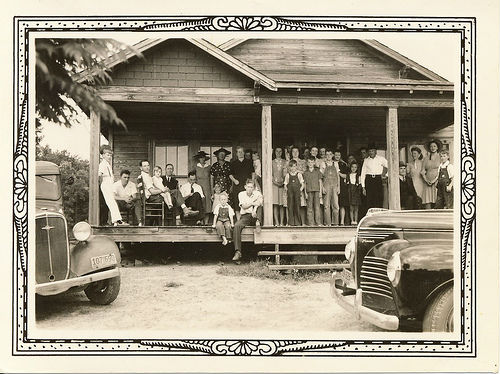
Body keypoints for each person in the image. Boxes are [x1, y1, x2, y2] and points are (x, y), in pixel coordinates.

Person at [139, 160, 196, 225]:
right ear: (141, 168)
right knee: (175, 197)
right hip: (153, 198)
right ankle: (181, 214)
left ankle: (182, 212)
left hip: (156, 196)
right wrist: (163, 190)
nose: (147, 167)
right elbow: (152, 192)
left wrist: (164, 190)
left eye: (148, 165)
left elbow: (154, 187)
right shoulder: (145, 177)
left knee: (175, 194)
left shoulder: (147, 176)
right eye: (145, 166)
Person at [232, 179, 263, 262]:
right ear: (245, 187)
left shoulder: (257, 193)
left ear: (254, 188)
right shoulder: (241, 194)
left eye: (251, 187)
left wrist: (254, 209)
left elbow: (259, 203)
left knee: (260, 208)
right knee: (237, 226)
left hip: (255, 215)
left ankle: (258, 222)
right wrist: (253, 203)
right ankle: (238, 252)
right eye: (248, 187)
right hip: (245, 216)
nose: (250, 189)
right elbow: (244, 206)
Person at [98, 145, 126, 226]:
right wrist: (102, 185)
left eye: (110, 155)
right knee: (111, 202)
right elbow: (99, 175)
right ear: (103, 155)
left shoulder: (107, 164)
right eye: (107, 155)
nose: (109, 157)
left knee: (112, 202)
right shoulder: (102, 164)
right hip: (106, 184)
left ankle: (116, 220)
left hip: (110, 184)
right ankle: (117, 220)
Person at [360, 143, 388, 209]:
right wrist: (363, 187)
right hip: (369, 180)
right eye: (370, 151)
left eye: (372, 151)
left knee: (378, 198)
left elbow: (389, 166)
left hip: (378, 179)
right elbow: (363, 173)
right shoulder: (366, 160)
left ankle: (378, 215)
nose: (371, 152)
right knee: (369, 199)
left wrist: (386, 175)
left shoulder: (381, 159)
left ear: (375, 151)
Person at [230, 146, 254, 218]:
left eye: (241, 152)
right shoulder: (233, 163)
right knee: (237, 203)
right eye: (238, 152)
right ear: (236, 153)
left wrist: (252, 181)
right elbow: (230, 175)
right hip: (237, 186)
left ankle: (247, 220)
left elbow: (253, 173)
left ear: (244, 153)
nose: (240, 153)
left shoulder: (249, 162)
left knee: (247, 201)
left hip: (246, 185)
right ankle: (239, 220)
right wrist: (234, 180)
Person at [421, 139, 442, 209]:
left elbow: (442, 170)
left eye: (434, 146)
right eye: (431, 146)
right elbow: (422, 171)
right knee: (428, 201)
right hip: (427, 181)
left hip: (437, 181)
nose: (433, 148)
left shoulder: (440, 157)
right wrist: (426, 180)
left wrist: (435, 180)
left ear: (437, 147)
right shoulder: (426, 158)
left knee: (437, 200)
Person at [284, 159, 304, 226]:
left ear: (296, 167)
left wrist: (300, 190)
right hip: (290, 193)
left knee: (297, 207)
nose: (293, 168)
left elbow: (302, 184)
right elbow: (285, 184)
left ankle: (298, 222)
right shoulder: (288, 175)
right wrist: (287, 191)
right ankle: (290, 223)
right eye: (292, 166)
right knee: (290, 207)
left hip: (297, 193)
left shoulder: (299, 175)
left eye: (294, 166)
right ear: (289, 167)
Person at [290, 146, 307, 225]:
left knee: (301, 204)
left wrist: (296, 171)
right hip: (291, 186)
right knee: (291, 205)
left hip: (300, 186)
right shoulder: (288, 162)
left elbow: (305, 172)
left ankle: (302, 222)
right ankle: (292, 222)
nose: (295, 153)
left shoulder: (303, 162)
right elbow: (286, 173)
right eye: (293, 151)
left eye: (297, 151)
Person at [322, 149, 340, 226]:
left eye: (330, 154)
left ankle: (335, 223)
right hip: (326, 185)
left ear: (332, 155)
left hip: (334, 185)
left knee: (335, 204)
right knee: (326, 205)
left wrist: (339, 187)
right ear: (325, 155)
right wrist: (322, 187)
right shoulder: (323, 164)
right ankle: (327, 223)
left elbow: (338, 176)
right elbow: (321, 177)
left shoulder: (335, 164)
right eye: (327, 154)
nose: (329, 156)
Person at [194, 151, 212, 225]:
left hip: (207, 186)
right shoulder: (196, 167)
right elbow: (192, 178)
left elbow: (211, 178)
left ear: (205, 158)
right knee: (200, 202)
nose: (202, 159)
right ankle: (200, 221)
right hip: (199, 186)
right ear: (199, 159)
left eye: (203, 157)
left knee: (207, 203)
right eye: (200, 157)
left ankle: (206, 222)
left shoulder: (209, 167)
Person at [303, 157, 323, 225]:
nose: (310, 164)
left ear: (314, 163)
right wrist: (305, 193)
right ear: (307, 163)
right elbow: (304, 183)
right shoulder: (305, 173)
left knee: (317, 207)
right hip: (309, 191)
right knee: (309, 207)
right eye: (309, 162)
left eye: (312, 162)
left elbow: (320, 181)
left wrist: (320, 192)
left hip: (317, 191)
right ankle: (311, 223)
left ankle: (318, 222)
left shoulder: (317, 171)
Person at [334, 150, 349, 225]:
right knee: (334, 204)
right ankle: (334, 221)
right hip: (332, 184)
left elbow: (346, 176)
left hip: (342, 186)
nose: (337, 156)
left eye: (338, 155)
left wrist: (338, 173)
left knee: (342, 204)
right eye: (336, 155)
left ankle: (342, 221)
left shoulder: (343, 164)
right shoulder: (331, 163)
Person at [272, 147, 285, 226]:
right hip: (274, 185)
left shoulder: (285, 162)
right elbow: (270, 174)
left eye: (280, 151)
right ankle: (276, 222)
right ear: (275, 152)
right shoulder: (272, 162)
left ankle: (281, 222)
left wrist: (283, 182)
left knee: (282, 204)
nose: (278, 152)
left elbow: (286, 173)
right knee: (275, 204)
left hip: (283, 185)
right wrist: (274, 182)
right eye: (277, 151)